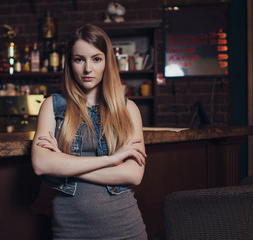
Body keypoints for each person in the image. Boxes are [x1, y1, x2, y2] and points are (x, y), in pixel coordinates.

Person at [31, 24, 147, 239]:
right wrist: (111, 160)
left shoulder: (128, 109)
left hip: (125, 227)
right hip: (70, 228)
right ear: (70, 63)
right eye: (79, 59)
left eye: (96, 59)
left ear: (107, 62)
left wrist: (63, 164)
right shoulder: (52, 106)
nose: (87, 69)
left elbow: (133, 174)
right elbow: (41, 165)